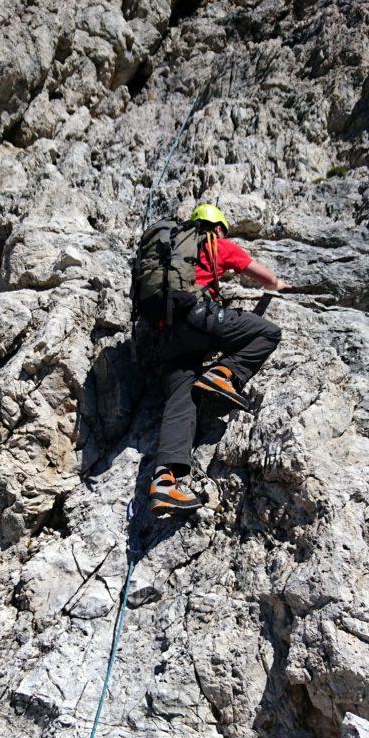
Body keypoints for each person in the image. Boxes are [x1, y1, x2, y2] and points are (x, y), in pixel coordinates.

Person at [149, 203, 290, 515]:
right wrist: (278, 284)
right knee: (267, 334)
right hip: (197, 316)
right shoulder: (215, 243)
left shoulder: (167, 255)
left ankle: (163, 484)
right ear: (215, 227)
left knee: (180, 401)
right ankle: (223, 374)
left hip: (163, 339)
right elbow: (262, 276)